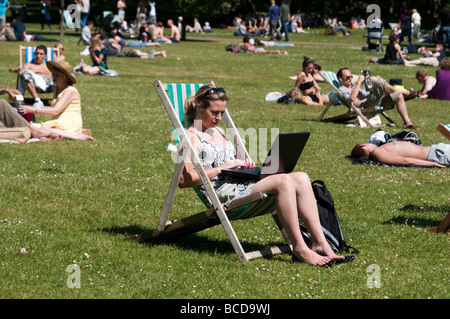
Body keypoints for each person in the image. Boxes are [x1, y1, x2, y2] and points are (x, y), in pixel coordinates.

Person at [180, 84, 347, 266]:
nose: (219, 118)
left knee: (301, 177)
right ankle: (300, 247)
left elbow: (231, 161)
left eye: (222, 113)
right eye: (214, 112)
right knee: (283, 182)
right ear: (199, 107)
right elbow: (184, 180)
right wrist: (222, 168)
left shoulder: (219, 131)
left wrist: (242, 164)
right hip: (221, 191)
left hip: (238, 181)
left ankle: (320, 243)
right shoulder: (190, 137)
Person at [16, 61, 94, 141]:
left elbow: (55, 111)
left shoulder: (70, 90)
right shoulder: (57, 88)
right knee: (32, 127)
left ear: (65, 77)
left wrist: (32, 110)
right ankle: (49, 137)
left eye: (57, 75)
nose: (54, 77)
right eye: (54, 74)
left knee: (33, 128)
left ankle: (75, 136)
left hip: (69, 124)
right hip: (59, 123)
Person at [336, 67, 417, 129]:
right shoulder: (341, 89)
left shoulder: (353, 87)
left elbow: (367, 94)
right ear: (340, 79)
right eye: (347, 77)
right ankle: (405, 93)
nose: (350, 79)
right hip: (362, 106)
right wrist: (359, 82)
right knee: (380, 82)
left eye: (351, 77)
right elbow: (352, 99)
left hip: (370, 102)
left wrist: (373, 87)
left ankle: (407, 123)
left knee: (397, 95)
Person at [9, 44, 53, 109]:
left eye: (41, 54)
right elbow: (21, 73)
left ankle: (59, 101)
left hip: (49, 85)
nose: (38, 56)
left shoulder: (49, 66)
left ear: (45, 56)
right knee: (25, 74)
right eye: (36, 53)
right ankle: (38, 100)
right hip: (33, 85)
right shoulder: (28, 65)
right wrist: (33, 74)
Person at [351, 142, 449, 167]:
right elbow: (406, 161)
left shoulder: (379, 150)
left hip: (437, 150)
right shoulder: (377, 152)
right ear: (363, 146)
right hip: (438, 155)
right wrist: (434, 164)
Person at [101, 33, 167, 59]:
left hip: (127, 44)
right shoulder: (107, 42)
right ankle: (159, 53)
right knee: (138, 56)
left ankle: (155, 46)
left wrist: (117, 45)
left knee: (141, 47)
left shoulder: (109, 40)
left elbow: (116, 45)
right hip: (123, 49)